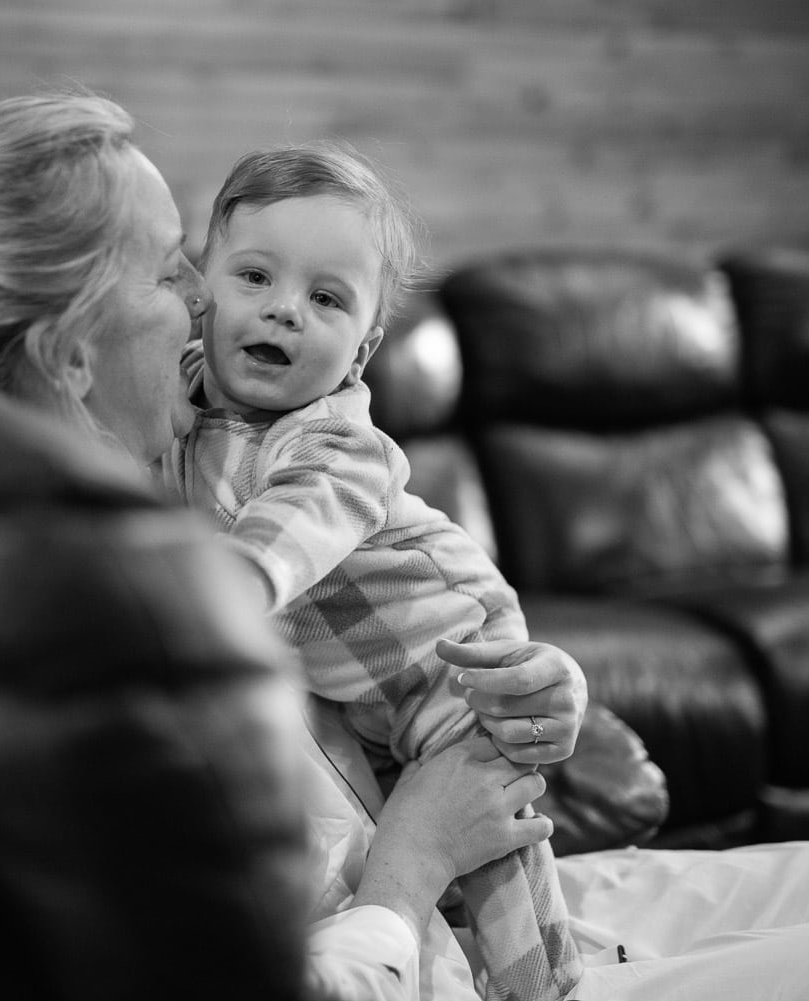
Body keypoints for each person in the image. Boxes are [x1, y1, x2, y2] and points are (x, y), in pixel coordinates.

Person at [0, 88, 809, 1001]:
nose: (203, 298)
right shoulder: (80, 641)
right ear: (72, 353)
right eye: (171, 268)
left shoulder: (120, 506)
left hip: (430, 884)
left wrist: (513, 687)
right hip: (414, 942)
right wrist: (415, 854)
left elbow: (346, 654)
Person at [165, 140, 581, 1001]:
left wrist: (220, 594)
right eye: (253, 278)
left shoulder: (335, 445)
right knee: (413, 847)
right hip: (359, 689)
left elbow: (287, 537)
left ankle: (549, 987)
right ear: (203, 291)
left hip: (451, 660)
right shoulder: (185, 389)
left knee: (505, 867)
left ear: (362, 349)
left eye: (325, 298)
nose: (284, 312)